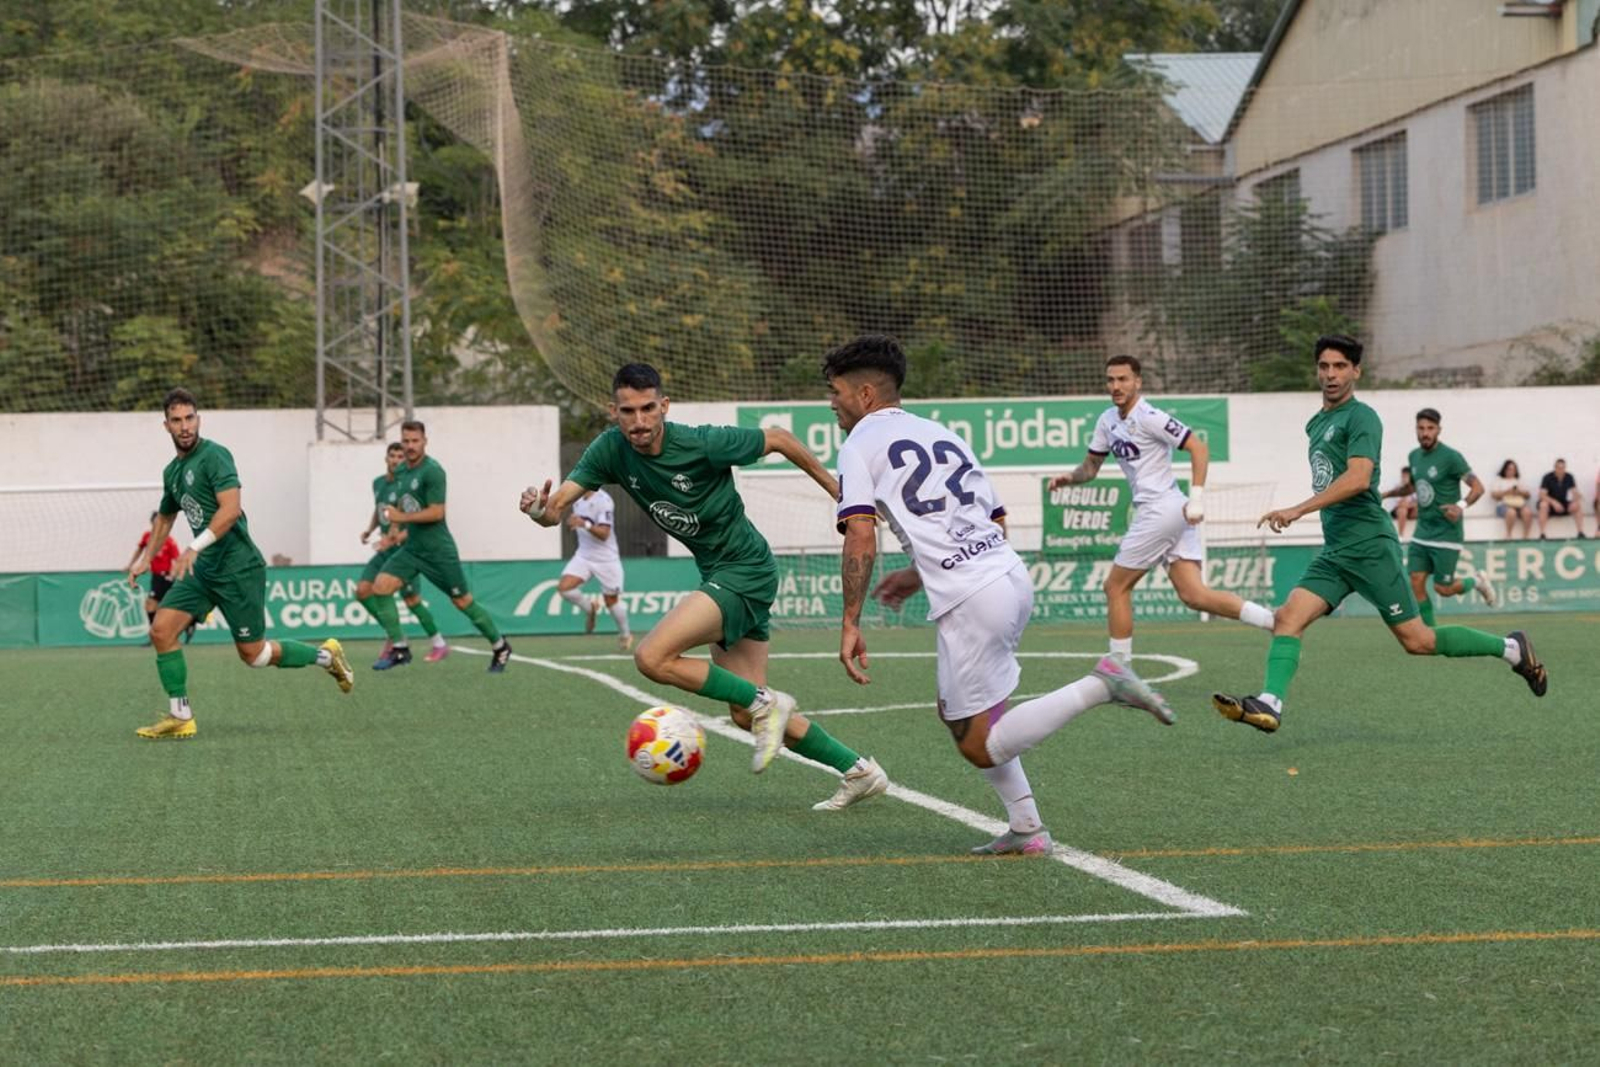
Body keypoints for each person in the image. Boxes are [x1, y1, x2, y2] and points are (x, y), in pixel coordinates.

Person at [825, 336, 1174, 856]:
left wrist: (851, 621)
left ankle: (1104, 684)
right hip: (1005, 575)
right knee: (957, 714)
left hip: (972, 598)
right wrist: (918, 575)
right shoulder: (943, 434)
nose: (832, 404)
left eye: (835, 393)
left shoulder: (857, 447)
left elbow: (859, 533)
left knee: (979, 744)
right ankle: (1027, 828)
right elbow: (992, 520)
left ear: (867, 394)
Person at [521, 362, 887, 809]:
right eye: (628, 411)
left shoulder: (700, 442)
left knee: (652, 657)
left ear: (664, 406)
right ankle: (859, 771)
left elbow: (780, 438)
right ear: (613, 411)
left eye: (648, 409)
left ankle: (766, 701)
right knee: (743, 713)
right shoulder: (609, 450)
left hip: (744, 569)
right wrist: (539, 510)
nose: (638, 421)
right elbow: (556, 508)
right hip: (720, 572)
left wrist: (841, 493)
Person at [1211, 336, 1547, 734]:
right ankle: (1270, 703)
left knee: (1418, 640)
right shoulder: (1316, 423)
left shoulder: (1362, 417)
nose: (1330, 374)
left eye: (1339, 366)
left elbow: (1357, 478)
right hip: (1336, 551)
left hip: (1370, 546)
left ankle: (1511, 649)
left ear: (1356, 371)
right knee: (1288, 619)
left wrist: (1298, 509)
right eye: (1324, 366)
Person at [128, 388, 354, 740]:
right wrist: (146, 559)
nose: (185, 426)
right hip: (204, 572)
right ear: (166, 426)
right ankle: (180, 715)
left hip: (238, 568)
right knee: (161, 630)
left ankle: (326, 657)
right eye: (177, 420)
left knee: (255, 655)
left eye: (190, 418)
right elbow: (166, 517)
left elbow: (230, 511)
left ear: (198, 419)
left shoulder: (216, 456)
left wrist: (193, 547)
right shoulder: (172, 471)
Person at [1049, 354, 1274, 662]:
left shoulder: (1150, 416)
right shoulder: (1107, 421)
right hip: (1166, 513)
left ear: (1137, 382)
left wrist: (1196, 498)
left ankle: (1120, 671)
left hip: (1162, 509)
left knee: (1115, 587)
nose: (1116, 386)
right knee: (1194, 596)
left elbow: (1199, 447)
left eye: (1123, 379)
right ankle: (1274, 621)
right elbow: (1090, 468)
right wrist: (1069, 478)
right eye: (1111, 380)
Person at [367, 421, 513, 671]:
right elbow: (403, 505)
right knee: (380, 587)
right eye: (406, 441)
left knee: (462, 601)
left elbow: (436, 512)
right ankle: (400, 649)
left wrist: (400, 519)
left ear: (425, 441)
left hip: (438, 551)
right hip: (412, 549)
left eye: (415, 441)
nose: (410, 446)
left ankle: (500, 646)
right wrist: (391, 534)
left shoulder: (433, 471)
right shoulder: (402, 471)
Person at [359, 442, 449, 669]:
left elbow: (409, 517)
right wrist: (370, 529)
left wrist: (394, 537)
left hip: (403, 549)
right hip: (383, 548)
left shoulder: (407, 484)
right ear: (386, 459)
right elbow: (379, 508)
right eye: (393, 455)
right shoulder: (378, 483)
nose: (397, 459)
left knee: (412, 601)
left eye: (401, 456)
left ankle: (438, 643)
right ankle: (395, 635)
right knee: (362, 591)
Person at [1401, 408, 1496, 624]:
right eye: (1421, 428)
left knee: (1442, 588)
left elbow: (1478, 487)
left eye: (1430, 428)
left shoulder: (1451, 457)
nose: (1425, 433)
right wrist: (1385, 494)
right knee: (1415, 581)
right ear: (1416, 429)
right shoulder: (1414, 456)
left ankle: (1477, 581)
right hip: (1422, 531)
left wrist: (1460, 505)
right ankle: (1429, 634)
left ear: (1439, 430)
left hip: (1447, 532)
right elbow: (1413, 487)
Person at [558, 488, 634, 652]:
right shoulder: (577, 500)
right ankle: (589, 608)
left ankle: (625, 634)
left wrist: (583, 524)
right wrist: (572, 523)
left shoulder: (604, 501)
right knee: (564, 588)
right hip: (584, 555)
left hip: (606, 559)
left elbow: (604, 534)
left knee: (611, 602)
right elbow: (576, 522)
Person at [124, 511, 196, 643]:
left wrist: (173, 574)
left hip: (165, 577)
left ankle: (160, 635)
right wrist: (131, 564)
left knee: (153, 605)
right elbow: (140, 550)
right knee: (157, 606)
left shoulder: (169, 541)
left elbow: (177, 559)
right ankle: (181, 626)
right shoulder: (147, 537)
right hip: (155, 576)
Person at [1537, 459, 1586, 539]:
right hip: (1551, 505)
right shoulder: (1547, 477)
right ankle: (1542, 534)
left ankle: (1580, 532)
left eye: (1563, 468)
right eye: (1558, 468)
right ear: (1555, 468)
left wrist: (1577, 497)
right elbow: (1542, 495)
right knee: (1543, 505)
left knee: (1577, 505)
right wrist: (1554, 502)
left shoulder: (1569, 477)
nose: (1561, 470)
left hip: (1564, 504)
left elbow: (1574, 491)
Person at [1491, 460, 1536, 540]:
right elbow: (1494, 495)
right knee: (1511, 512)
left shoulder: (1518, 481)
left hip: (1519, 504)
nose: (1511, 471)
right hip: (1504, 505)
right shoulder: (1499, 481)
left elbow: (1528, 494)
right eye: (1509, 469)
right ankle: (1509, 535)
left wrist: (1519, 492)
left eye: (1513, 469)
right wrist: (1507, 492)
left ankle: (1526, 536)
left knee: (1527, 512)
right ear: (1504, 470)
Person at [1383, 467, 1417, 539]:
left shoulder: (1415, 487)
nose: (1404, 478)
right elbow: (1400, 503)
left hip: (1411, 509)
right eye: (1403, 476)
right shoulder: (1398, 486)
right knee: (1402, 509)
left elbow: (1418, 502)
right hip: (1399, 510)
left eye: (1406, 476)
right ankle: (1401, 535)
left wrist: (1410, 504)